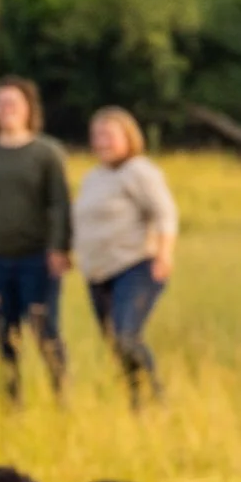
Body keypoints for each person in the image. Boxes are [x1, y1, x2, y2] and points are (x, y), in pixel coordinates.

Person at [0, 76, 70, 401]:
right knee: (4, 335)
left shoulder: (47, 153)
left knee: (45, 331)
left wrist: (59, 247)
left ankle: (61, 395)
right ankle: (11, 401)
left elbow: (60, 204)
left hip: (36, 258)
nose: (7, 109)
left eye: (14, 103)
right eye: (1, 103)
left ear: (28, 109)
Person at [75, 105, 177, 405]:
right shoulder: (94, 176)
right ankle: (137, 399)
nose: (102, 142)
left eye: (109, 135)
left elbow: (165, 214)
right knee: (114, 342)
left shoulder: (139, 171)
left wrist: (164, 254)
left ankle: (156, 396)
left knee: (125, 335)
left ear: (128, 136)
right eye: (97, 136)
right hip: (98, 271)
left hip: (135, 266)